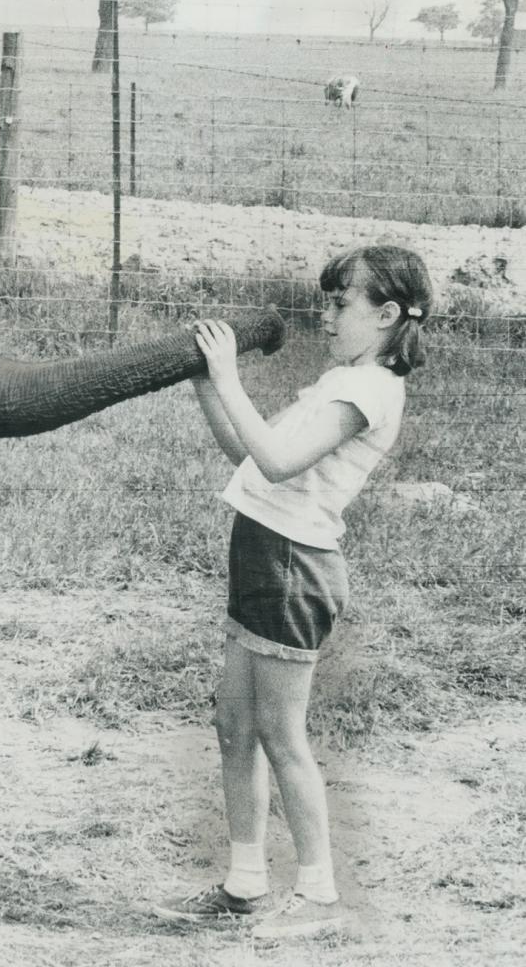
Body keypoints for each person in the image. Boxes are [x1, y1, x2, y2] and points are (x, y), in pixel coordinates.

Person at [152, 244, 433, 940]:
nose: (327, 315)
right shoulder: (338, 380)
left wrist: (228, 370)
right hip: (261, 554)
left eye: (342, 303)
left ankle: (319, 895)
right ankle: (245, 884)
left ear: (388, 313)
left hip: (293, 568)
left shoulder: (369, 392)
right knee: (233, 727)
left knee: (281, 735)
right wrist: (206, 385)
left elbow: (277, 465)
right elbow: (247, 454)